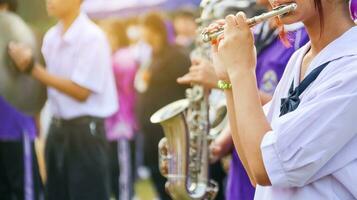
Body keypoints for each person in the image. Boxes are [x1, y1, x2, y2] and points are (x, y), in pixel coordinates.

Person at [210, 0, 357, 199]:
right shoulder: (300, 57)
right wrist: (229, 80)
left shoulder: (351, 69)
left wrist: (241, 71)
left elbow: (265, 169)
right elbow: (254, 168)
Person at [178, 1, 309, 199]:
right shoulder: (264, 29)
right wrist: (222, 141)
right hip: (246, 162)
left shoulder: (302, 34)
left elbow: (289, 103)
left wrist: (228, 78)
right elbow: (245, 98)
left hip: (277, 164)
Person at [8, 0, 118, 199]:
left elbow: (81, 91)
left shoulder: (92, 37)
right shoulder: (51, 37)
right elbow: (46, 84)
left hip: (86, 134)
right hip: (57, 130)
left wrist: (32, 68)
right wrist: (36, 113)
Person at [135, 12, 190, 200]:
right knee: (155, 174)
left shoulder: (177, 57)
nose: (141, 34)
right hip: (150, 131)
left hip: (167, 133)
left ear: (154, 31)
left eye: (144, 29)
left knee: (171, 178)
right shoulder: (151, 56)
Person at [0, 1, 43, 199]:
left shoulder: (22, 36)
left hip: (15, 128)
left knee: (24, 192)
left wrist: (36, 118)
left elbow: (34, 87)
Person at [100, 19, 137, 200]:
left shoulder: (123, 57)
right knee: (114, 174)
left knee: (123, 176)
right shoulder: (115, 56)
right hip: (110, 127)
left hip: (121, 126)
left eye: (109, 35)